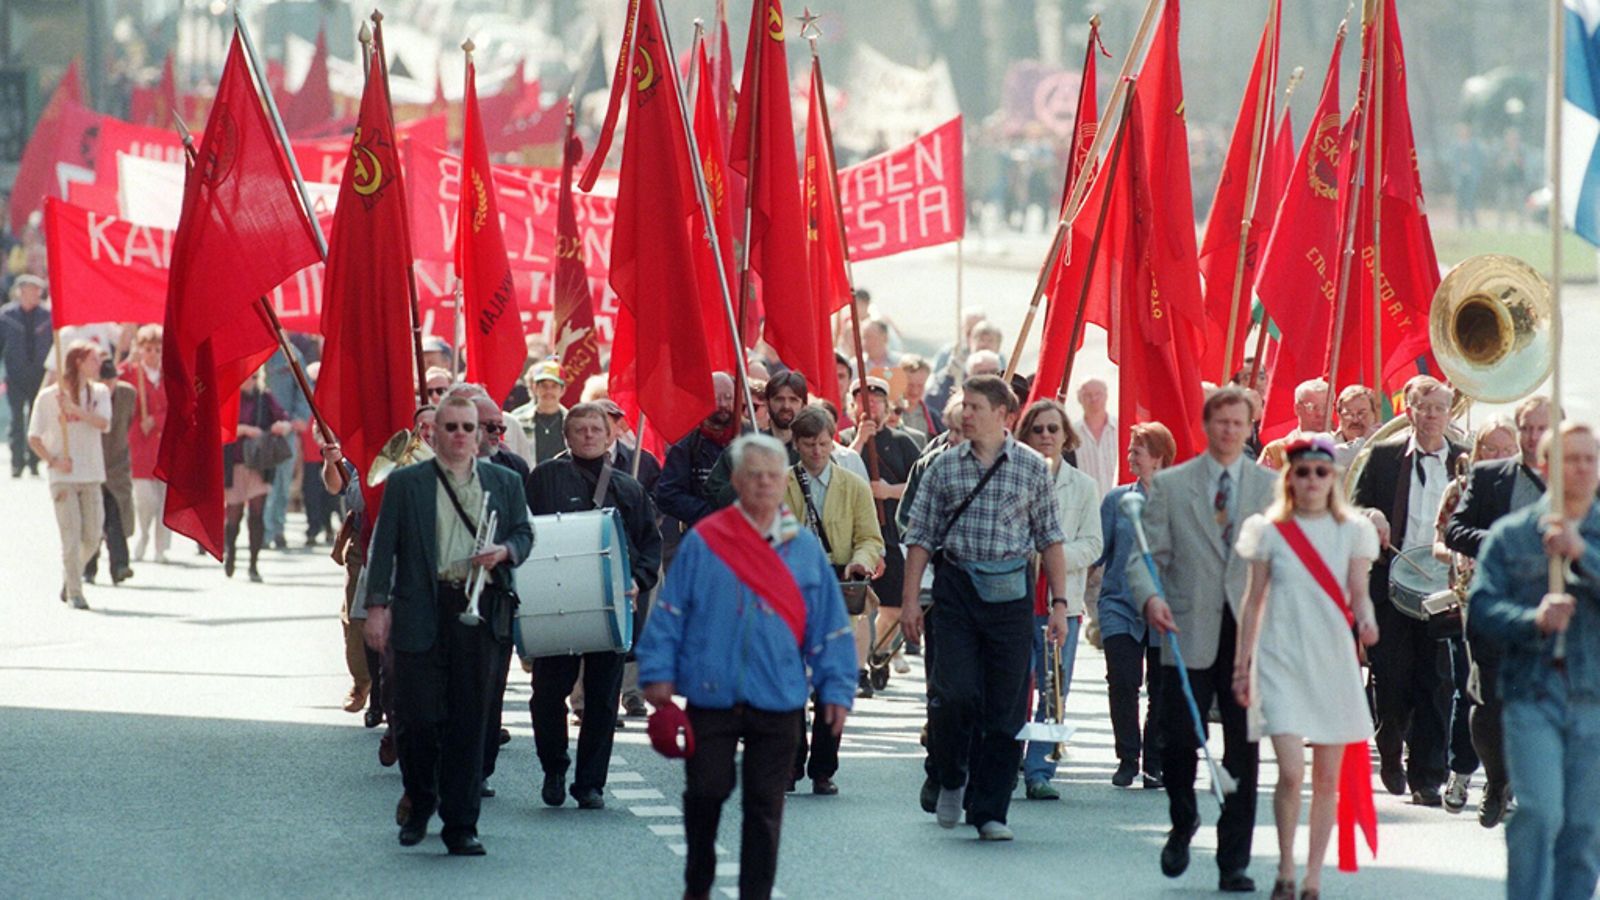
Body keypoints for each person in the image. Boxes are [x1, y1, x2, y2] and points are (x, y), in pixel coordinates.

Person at [637, 433, 857, 900]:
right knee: (706, 793)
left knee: (764, 805)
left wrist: (837, 689)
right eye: (752, 475)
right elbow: (671, 609)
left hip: (779, 696)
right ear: (735, 480)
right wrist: (656, 671)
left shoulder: (804, 550)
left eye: (772, 476)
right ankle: (697, 885)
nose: (762, 484)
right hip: (711, 692)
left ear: (784, 483)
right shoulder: (705, 541)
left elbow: (830, 627)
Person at [363, 394, 535, 855]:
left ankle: (461, 825)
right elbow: (384, 549)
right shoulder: (407, 483)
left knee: (469, 720)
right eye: (452, 427)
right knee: (416, 718)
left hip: (480, 610)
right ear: (435, 433)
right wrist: (376, 607)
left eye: (468, 427)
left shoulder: (504, 481)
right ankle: (420, 802)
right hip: (422, 605)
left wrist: (504, 552)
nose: (460, 435)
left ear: (480, 434)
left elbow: (524, 532)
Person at [900, 374, 1069, 841]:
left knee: (1006, 710)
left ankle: (990, 809)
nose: (966, 414)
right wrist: (912, 600)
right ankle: (951, 774)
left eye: (975, 406)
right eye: (963, 406)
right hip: (955, 591)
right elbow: (920, 537)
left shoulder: (1033, 468)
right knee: (953, 695)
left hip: (1011, 596)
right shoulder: (942, 467)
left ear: (1003, 415)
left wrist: (1058, 604)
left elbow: (1050, 538)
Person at [1127, 386, 1277, 892]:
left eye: (1240, 423)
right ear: (1207, 425)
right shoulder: (1171, 486)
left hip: (1247, 632)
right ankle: (1182, 819)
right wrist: (1151, 598)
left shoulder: (1272, 488)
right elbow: (1144, 558)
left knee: (1244, 749)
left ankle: (1233, 860)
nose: (1230, 431)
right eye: (1221, 422)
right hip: (1185, 627)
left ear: (1251, 427)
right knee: (1177, 741)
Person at [1232, 437, 1381, 900]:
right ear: (1289, 477)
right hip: (1279, 657)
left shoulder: (1353, 529)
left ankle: (1313, 876)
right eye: (1303, 472)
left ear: (1333, 478)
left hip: (1332, 658)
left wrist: (1369, 620)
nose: (1312, 480)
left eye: (1321, 472)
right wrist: (1242, 664)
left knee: (1326, 778)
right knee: (1292, 771)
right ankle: (1285, 865)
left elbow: (1358, 591)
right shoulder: (1268, 530)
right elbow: (1253, 600)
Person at [1469, 422, 1600, 900]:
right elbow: (1481, 609)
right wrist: (1532, 619)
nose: (1581, 468)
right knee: (1541, 812)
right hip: (1533, 692)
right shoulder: (1511, 536)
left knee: (1585, 828)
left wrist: (1582, 553)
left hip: (1593, 697)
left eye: (1590, 458)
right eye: (1570, 458)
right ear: (1545, 466)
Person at [524, 403, 662, 810]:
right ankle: (554, 766)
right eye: (579, 430)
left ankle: (590, 784)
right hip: (558, 603)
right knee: (547, 694)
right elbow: (524, 531)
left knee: (603, 698)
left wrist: (638, 581)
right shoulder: (543, 478)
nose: (587, 436)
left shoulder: (629, 488)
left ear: (610, 436)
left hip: (612, 607)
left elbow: (649, 547)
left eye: (594, 430)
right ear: (566, 437)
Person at [1351, 375, 1468, 807]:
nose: (1433, 416)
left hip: (1441, 587)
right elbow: (1354, 503)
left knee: (1436, 681)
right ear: (1409, 411)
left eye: (1441, 408)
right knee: (1394, 678)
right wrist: (1372, 515)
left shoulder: (1465, 459)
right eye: (1425, 407)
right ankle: (1389, 741)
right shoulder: (1382, 456)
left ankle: (1428, 776)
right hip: (1391, 583)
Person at [1445, 394, 1553, 828]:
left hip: (1552, 611)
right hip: (1495, 607)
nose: (1532, 437)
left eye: (1541, 428)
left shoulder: (1577, 478)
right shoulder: (1488, 476)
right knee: (1489, 702)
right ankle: (1495, 778)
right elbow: (1455, 529)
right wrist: (1501, 541)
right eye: (1526, 427)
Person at [784, 406, 883, 795]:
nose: (817, 451)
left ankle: (823, 768)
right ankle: (790, 763)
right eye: (809, 444)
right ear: (796, 443)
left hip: (839, 588)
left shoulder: (852, 485)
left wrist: (861, 563)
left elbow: (870, 538)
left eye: (824, 443)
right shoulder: (781, 483)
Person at [1432, 417, 1520, 816]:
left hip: (1516, 602)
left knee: (1512, 692)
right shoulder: (1462, 487)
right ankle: (1462, 770)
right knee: (1471, 689)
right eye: (1490, 449)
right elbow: (1441, 537)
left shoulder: (1527, 487)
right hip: (1469, 597)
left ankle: (1505, 777)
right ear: (1477, 451)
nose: (1498, 457)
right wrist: (1458, 557)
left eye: (1506, 450)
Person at [1016, 399, 1103, 800]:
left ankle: (1039, 769)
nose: (1046, 436)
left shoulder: (1083, 486)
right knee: (1014, 687)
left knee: (1053, 689)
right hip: (1013, 600)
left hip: (1059, 604)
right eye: (1038, 430)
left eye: (1053, 429)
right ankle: (1006, 758)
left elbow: (1093, 544)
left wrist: (1053, 555)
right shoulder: (1011, 478)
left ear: (1066, 436)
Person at [1099, 423, 1176, 789]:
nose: (1130, 457)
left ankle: (1154, 763)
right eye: (1130, 450)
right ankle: (1127, 758)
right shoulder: (1115, 501)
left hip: (1165, 608)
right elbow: (1101, 551)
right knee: (1123, 681)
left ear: (1159, 457)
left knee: (1161, 689)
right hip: (1121, 604)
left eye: (1137, 451)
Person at [842, 376, 922, 690]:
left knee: (894, 607)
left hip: (891, 533)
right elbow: (840, 469)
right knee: (857, 604)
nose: (869, 406)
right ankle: (858, 665)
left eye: (875, 400)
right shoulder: (844, 441)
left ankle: (880, 648)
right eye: (862, 400)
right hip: (855, 536)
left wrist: (889, 491)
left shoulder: (902, 443)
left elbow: (920, 486)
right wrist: (859, 441)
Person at [28, 340, 110, 609]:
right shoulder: (49, 396)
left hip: (91, 472)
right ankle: (75, 591)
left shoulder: (99, 392)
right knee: (71, 536)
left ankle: (70, 574)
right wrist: (53, 460)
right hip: (64, 477)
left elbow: (103, 423)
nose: (99, 365)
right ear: (78, 362)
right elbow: (34, 437)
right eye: (93, 360)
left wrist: (76, 411)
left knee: (92, 536)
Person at [223, 370, 290, 583]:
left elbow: (284, 419)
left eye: (253, 376)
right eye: (246, 376)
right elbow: (219, 425)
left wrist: (282, 427)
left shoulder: (265, 397)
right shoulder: (229, 396)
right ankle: (230, 551)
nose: (250, 380)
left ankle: (253, 563)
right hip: (234, 462)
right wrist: (243, 430)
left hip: (259, 464)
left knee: (257, 513)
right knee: (233, 514)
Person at [705, 371, 807, 508]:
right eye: (779, 399)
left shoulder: (812, 451)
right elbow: (713, 496)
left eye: (793, 400)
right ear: (768, 403)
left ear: (804, 405)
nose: (786, 406)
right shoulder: (744, 449)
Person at [657, 372, 738, 533]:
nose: (723, 404)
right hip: (704, 537)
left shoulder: (753, 439)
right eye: (716, 398)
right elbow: (667, 495)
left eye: (728, 397)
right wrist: (710, 514)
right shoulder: (687, 447)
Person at [83, 358, 136, 586]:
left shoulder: (128, 394)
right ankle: (88, 566)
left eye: (112, 380)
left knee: (117, 517)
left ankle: (120, 565)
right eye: (104, 380)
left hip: (117, 464)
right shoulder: (87, 396)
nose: (109, 385)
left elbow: (130, 421)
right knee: (93, 519)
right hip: (92, 463)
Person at [120, 325, 168, 562]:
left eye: (157, 349)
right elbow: (113, 385)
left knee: (164, 501)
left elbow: (180, 409)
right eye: (148, 349)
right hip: (139, 444)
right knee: (145, 499)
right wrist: (129, 360)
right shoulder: (131, 372)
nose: (153, 354)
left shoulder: (169, 375)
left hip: (164, 446)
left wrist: (157, 420)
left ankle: (160, 548)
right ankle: (144, 533)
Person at [1, 273, 52, 476]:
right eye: (30, 290)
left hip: (40, 375)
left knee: (35, 418)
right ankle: (16, 461)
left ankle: (34, 460)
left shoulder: (47, 316)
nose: (34, 294)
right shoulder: (7, 316)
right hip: (15, 375)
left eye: (37, 290)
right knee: (16, 419)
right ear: (21, 292)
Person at [262, 345, 310, 552]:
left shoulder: (291, 354)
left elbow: (304, 389)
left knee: (282, 481)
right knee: (257, 483)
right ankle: (260, 529)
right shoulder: (249, 349)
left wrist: (296, 420)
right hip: (255, 429)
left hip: (285, 429)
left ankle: (277, 528)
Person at [1257, 379, 1331, 471]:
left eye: (1325, 407)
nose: (1320, 413)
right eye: (1311, 407)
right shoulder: (1276, 451)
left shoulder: (1343, 448)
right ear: (1297, 409)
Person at [511, 359, 568, 464]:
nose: (548, 391)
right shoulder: (517, 419)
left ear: (563, 390)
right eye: (543, 386)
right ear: (534, 388)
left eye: (554, 386)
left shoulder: (571, 421)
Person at [1332, 385, 1381, 468]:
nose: (1355, 420)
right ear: (1339, 416)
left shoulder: (1386, 441)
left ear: (1374, 414)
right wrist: (1365, 441)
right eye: (1348, 414)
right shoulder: (1328, 445)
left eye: (1361, 413)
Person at [897, 355, 941, 438]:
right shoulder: (890, 415)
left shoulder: (933, 418)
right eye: (910, 385)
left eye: (920, 385)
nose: (915, 391)